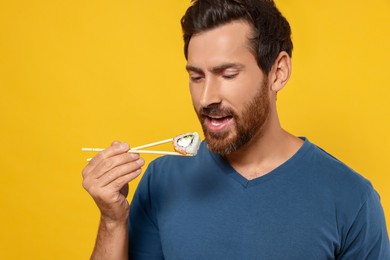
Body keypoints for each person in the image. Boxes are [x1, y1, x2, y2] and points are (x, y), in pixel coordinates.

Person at [82, 0, 390, 259]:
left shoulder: (352, 199)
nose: (206, 98)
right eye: (197, 77)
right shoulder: (161, 180)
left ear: (278, 73)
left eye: (228, 74)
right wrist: (112, 221)